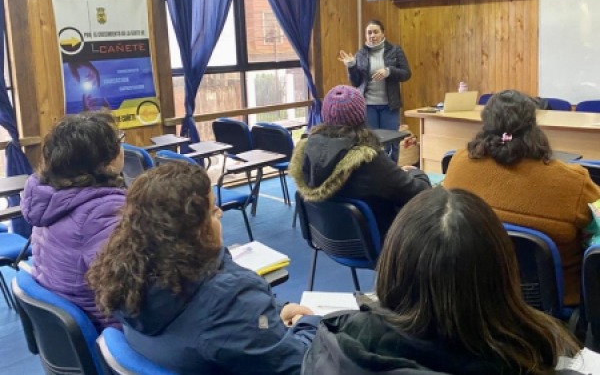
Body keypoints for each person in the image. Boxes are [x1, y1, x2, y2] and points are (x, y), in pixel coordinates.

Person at [302, 188, 581, 375]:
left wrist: (307, 322)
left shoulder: (337, 345)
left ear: (392, 265)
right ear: (502, 275)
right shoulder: (528, 356)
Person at [87, 162, 319, 375]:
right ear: (192, 231)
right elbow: (299, 366)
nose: (220, 213)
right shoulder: (230, 298)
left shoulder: (128, 277)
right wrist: (308, 324)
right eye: (212, 210)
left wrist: (274, 312)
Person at [443, 90, 600, 306]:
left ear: (485, 125)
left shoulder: (458, 163)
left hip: (476, 293)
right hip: (553, 303)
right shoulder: (573, 182)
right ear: (533, 127)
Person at [21, 110, 126, 330]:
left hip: (72, 318)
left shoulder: (49, 198)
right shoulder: (102, 213)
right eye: (119, 141)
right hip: (107, 329)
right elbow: (129, 292)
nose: (122, 147)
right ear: (104, 163)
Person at [289, 85, 431, 240]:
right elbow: (421, 192)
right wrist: (415, 172)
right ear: (361, 115)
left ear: (325, 114)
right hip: (378, 241)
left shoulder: (305, 152)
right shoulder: (370, 161)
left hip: (328, 239)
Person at [339, 19, 411, 163]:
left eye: (376, 32)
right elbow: (355, 82)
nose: (372, 35)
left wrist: (389, 71)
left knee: (392, 142)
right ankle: (374, 172)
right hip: (367, 105)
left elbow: (406, 74)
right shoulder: (361, 54)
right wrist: (351, 66)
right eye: (369, 33)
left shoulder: (395, 50)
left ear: (383, 33)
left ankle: (392, 171)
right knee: (370, 142)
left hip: (389, 106)